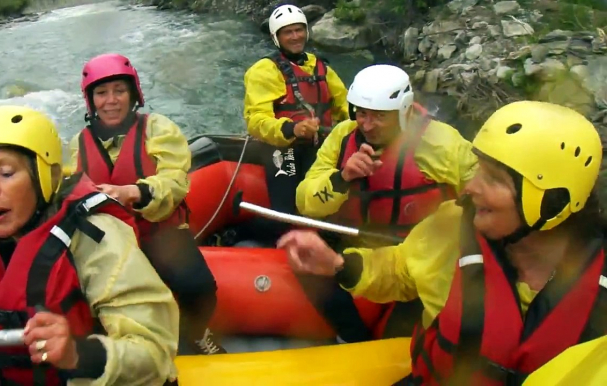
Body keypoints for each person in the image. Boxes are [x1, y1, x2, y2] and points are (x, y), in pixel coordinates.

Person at [279, 100, 607, 384]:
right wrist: (338, 264)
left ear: (552, 203)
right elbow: (401, 268)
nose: (470, 187)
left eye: (493, 179)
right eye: (478, 171)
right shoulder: (453, 226)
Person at [0, 105, 179, 386]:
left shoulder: (98, 240)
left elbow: (155, 352)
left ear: (48, 176)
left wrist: (77, 354)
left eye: (6, 173)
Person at [292, 64, 478, 344]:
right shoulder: (344, 136)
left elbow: (480, 196)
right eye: (362, 114)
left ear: (404, 112)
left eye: (379, 116)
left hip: (412, 253)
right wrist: (342, 179)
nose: (366, 125)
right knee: (308, 268)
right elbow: (306, 202)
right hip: (353, 242)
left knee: (406, 332)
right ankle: (353, 338)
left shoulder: (442, 144)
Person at [68, 53, 225, 355]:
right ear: (91, 100)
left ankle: (195, 332)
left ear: (133, 94)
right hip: (107, 242)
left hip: (158, 231)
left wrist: (135, 192)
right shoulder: (77, 145)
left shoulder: (158, 129)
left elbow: (175, 179)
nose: (111, 100)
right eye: (101, 93)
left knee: (198, 287)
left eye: (119, 91)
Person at [243, 4, 349, 240]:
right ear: (277, 37)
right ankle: (240, 230)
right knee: (286, 216)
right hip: (283, 149)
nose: (295, 36)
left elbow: (345, 107)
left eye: (299, 30)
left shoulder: (321, 67)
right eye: (287, 32)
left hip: (320, 148)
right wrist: (293, 128)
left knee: (327, 209)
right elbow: (256, 119)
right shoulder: (263, 71)